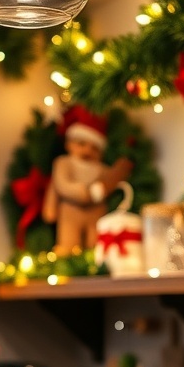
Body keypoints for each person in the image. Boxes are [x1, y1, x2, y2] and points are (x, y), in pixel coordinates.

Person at [42, 105, 133, 256]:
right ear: (69, 144)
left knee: (95, 245)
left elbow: (111, 182)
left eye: (94, 148)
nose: (87, 151)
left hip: (96, 213)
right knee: (68, 244)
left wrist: (118, 173)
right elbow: (59, 185)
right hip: (70, 212)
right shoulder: (63, 163)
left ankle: (94, 260)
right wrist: (52, 208)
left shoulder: (102, 169)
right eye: (81, 144)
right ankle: (67, 258)